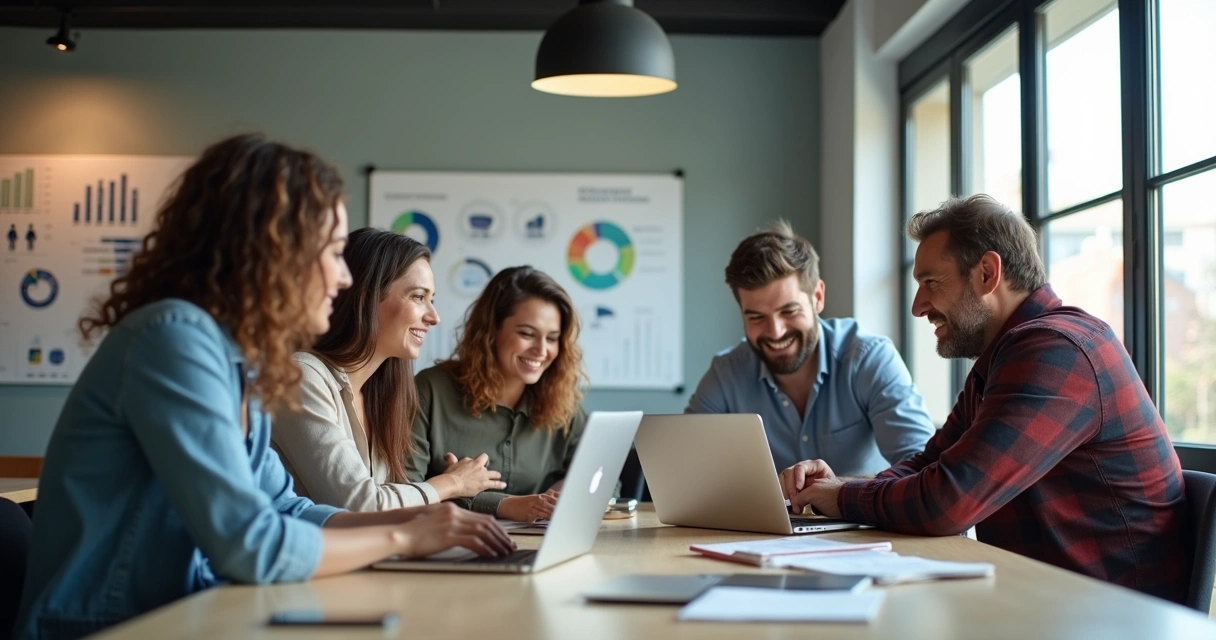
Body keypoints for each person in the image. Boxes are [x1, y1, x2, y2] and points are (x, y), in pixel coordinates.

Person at [14, 134, 514, 640]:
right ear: (273, 246)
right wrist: (401, 536)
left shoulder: (238, 361)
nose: (344, 279)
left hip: (188, 614)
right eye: (333, 253)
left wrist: (423, 529)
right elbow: (249, 544)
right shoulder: (173, 341)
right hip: (111, 627)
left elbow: (287, 508)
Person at [781, 195, 1187, 601]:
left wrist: (841, 497)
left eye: (931, 283)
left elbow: (949, 501)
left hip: (1113, 618)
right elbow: (930, 464)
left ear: (988, 273)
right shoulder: (1007, 356)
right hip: (1046, 603)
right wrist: (834, 486)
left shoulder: (1057, 351)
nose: (918, 307)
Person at [271, 227, 506, 510]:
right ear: (366, 299)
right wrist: (451, 483)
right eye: (419, 297)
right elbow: (362, 505)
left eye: (432, 299)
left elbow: (391, 503)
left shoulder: (383, 394)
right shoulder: (302, 377)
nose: (434, 317)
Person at [686, 220, 935, 476]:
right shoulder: (726, 374)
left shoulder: (868, 358)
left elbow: (925, 467)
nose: (775, 332)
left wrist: (841, 493)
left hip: (862, 515)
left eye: (789, 311)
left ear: (817, 297)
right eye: (756, 318)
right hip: (763, 518)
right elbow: (684, 462)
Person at [409, 266, 588, 523]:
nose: (541, 350)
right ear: (491, 330)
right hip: (453, 543)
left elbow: (604, 481)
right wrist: (508, 505)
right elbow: (406, 491)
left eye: (552, 338)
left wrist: (562, 495)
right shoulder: (431, 390)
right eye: (527, 334)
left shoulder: (562, 401)